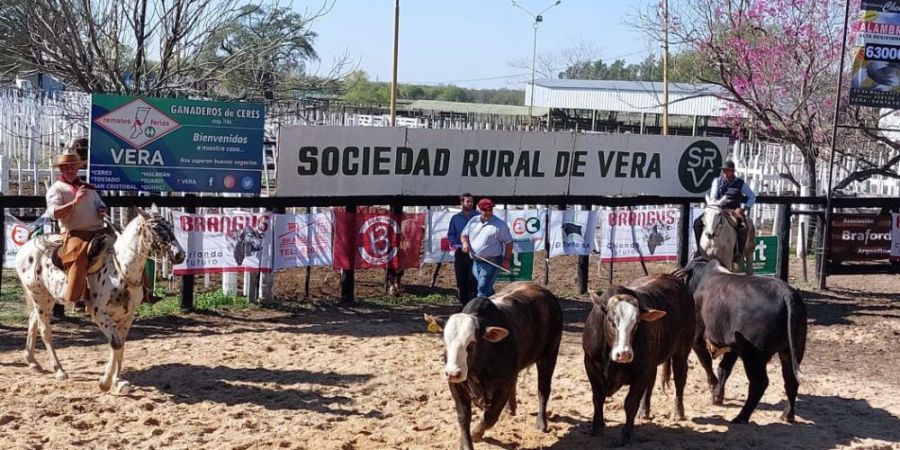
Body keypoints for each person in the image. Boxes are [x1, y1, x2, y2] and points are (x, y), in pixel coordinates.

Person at [46, 142, 109, 313]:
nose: (70, 169)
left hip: (98, 229)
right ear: (61, 169)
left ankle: (142, 290)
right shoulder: (56, 189)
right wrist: (75, 202)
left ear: (77, 167)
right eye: (66, 167)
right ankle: (77, 298)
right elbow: (54, 213)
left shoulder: (89, 188)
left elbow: (100, 204)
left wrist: (102, 209)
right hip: (74, 232)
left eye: (73, 166)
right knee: (78, 255)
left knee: (128, 247)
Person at [693, 160, 756, 254]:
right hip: (718, 209)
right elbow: (713, 195)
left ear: (732, 171)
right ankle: (699, 250)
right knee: (697, 223)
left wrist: (743, 209)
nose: (725, 172)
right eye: (724, 170)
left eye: (728, 170)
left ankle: (739, 252)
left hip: (733, 211)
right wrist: (716, 206)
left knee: (743, 227)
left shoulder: (740, 183)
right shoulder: (717, 181)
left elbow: (752, 196)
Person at [460, 198, 513, 298]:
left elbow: (509, 242)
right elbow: (464, 234)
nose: (488, 212)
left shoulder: (499, 225)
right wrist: (465, 244)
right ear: (478, 209)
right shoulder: (473, 221)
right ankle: (496, 308)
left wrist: (506, 259)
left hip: (492, 261)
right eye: (485, 210)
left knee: (482, 290)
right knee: (486, 288)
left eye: (490, 210)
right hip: (476, 261)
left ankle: (479, 312)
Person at [447, 193, 477, 305]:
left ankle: (473, 305)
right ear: (462, 202)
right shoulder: (455, 218)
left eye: (471, 202)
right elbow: (451, 235)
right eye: (467, 201)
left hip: (475, 252)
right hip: (461, 253)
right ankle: (464, 304)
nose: (470, 204)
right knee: (461, 279)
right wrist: (460, 246)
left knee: (473, 279)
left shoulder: (478, 217)